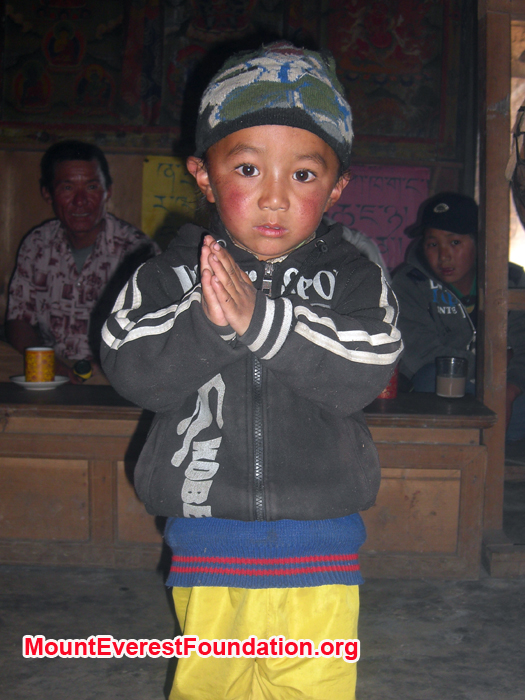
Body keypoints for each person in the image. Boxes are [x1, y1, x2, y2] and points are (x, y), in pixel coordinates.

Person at [101, 42, 402, 700]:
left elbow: (367, 365)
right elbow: (129, 364)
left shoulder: (355, 273)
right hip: (208, 535)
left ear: (336, 187)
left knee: (314, 689)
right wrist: (212, 323)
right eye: (246, 168)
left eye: (303, 174)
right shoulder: (169, 274)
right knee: (211, 685)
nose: (273, 197)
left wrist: (260, 322)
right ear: (204, 177)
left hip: (321, 539)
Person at [6, 140, 159, 381]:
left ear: (107, 191)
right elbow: (19, 319)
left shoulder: (137, 250)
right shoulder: (37, 244)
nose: (80, 200)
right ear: (47, 193)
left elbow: (156, 330)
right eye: (67, 188)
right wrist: (50, 363)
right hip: (50, 367)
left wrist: (105, 365)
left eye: (91, 187)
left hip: (114, 374)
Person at [392, 191, 525, 441]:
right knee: (432, 378)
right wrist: (495, 365)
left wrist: (509, 390)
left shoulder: (512, 280)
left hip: (507, 390)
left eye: (454, 243)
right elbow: (423, 354)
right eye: (433, 244)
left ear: (479, 243)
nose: (444, 256)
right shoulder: (409, 283)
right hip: (442, 390)